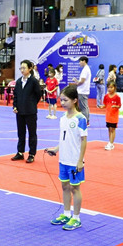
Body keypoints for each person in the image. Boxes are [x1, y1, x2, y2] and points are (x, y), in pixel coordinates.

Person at [44, 84, 87, 231]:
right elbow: (64, 138)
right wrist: (56, 149)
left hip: (75, 161)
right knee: (65, 187)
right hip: (63, 159)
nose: (62, 103)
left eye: (65, 100)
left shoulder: (80, 118)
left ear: (75, 100)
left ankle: (76, 218)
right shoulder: (62, 118)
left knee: (75, 188)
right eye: (61, 100)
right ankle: (67, 214)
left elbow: (83, 140)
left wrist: (80, 160)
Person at [12, 60, 42, 163]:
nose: (22, 70)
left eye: (24, 68)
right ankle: (20, 152)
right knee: (21, 133)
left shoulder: (33, 81)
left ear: (30, 68)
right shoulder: (18, 81)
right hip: (20, 112)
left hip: (30, 112)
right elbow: (16, 95)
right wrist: (15, 106)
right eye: (21, 68)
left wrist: (32, 104)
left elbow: (38, 95)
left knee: (32, 134)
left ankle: (32, 154)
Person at [72, 56, 91, 123]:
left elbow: (82, 81)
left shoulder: (85, 70)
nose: (79, 63)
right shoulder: (86, 69)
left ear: (84, 61)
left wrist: (76, 83)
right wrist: (77, 81)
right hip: (84, 90)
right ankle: (86, 120)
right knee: (85, 107)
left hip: (82, 91)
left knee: (83, 107)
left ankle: (85, 121)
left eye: (80, 61)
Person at [103, 81, 121, 150]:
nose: (109, 89)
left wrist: (115, 106)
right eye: (108, 87)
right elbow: (105, 105)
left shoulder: (117, 97)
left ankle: (111, 143)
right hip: (108, 116)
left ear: (114, 88)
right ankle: (110, 142)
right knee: (109, 129)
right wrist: (101, 107)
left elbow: (119, 106)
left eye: (111, 87)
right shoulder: (106, 96)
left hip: (114, 116)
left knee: (113, 129)